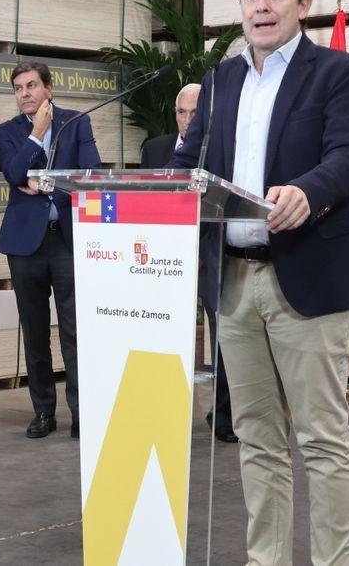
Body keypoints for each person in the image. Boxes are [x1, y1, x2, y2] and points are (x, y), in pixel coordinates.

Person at [169, 0, 349, 565]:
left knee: (322, 441)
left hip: (307, 276)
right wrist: (155, 190)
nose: (262, 6)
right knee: (256, 440)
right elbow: (191, 164)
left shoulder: (335, 71)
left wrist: (307, 193)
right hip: (233, 281)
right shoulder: (222, 78)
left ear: (302, 4)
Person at [0, 61, 101, 439]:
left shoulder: (76, 123)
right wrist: (37, 134)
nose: (25, 93)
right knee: (35, 331)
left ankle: (82, 412)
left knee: (75, 330)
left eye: (31, 86)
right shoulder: (7, 131)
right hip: (25, 245)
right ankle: (43, 411)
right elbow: (12, 174)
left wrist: (40, 183)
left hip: (68, 239)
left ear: (49, 89)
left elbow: (89, 172)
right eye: (19, 88)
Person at [140, 83, 238, 443]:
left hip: (213, 255)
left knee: (224, 337)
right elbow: (151, 200)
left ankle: (225, 413)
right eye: (182, 112)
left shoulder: (223, 149)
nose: (187, 119)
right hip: (167, 259)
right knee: (163, 334)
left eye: (196, 112)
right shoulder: (155, 149)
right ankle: (164, 409)